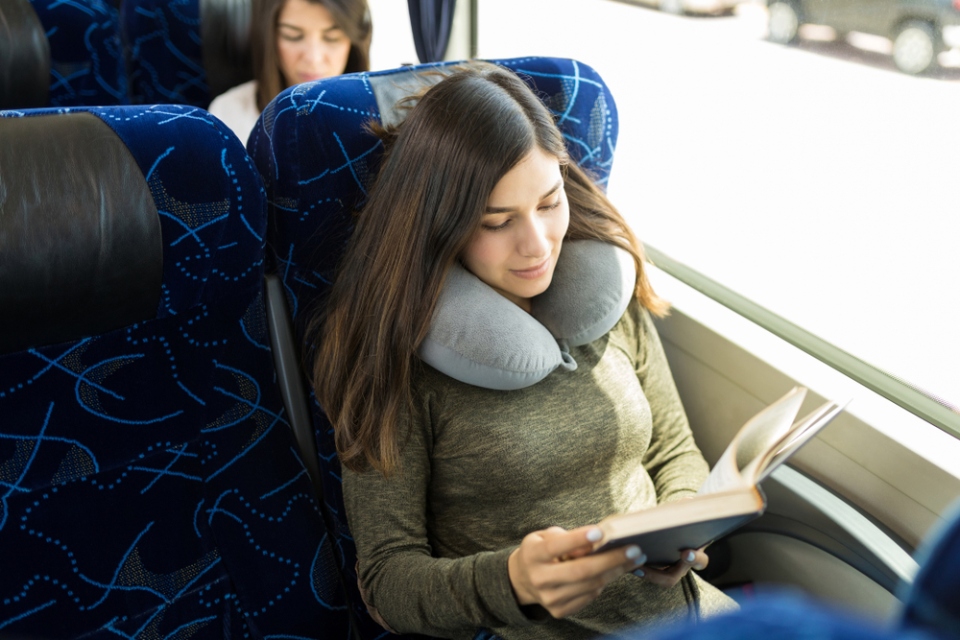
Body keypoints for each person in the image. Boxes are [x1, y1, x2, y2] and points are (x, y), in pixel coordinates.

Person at [311, 62, 738, 640]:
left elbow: (673, 451)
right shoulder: (395, 359)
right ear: (441, 225)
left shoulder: (603, 297)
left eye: (549, 201)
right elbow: (387, 582)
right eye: (496, 221)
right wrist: (512, 582)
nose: (538, 245)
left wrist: (679, 524)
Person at [208, 0, 371, 142]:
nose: (313, 58)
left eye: (332, 37)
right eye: (292, 35)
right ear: (268, 36)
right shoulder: (228, 115)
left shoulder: (381, 116)